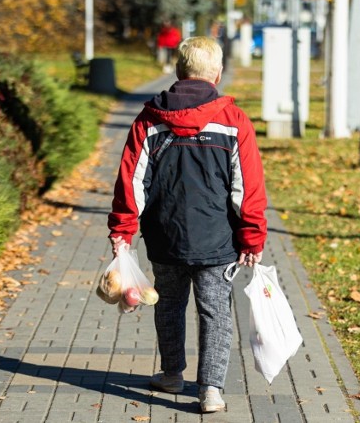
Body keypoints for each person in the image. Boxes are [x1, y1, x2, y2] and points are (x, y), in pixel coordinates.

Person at [107, 36, 267, 413]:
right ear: (217, 73)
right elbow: (247, 187)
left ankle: (172, 373)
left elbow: (132, 180)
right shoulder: (233, 121)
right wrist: (252, 238)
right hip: (219, 241)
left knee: (169, 305)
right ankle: (211, 389)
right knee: (215, 313)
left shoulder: (149, 120)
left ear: (179, 71)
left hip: (165, 237)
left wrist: (122, 230)